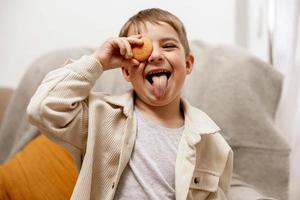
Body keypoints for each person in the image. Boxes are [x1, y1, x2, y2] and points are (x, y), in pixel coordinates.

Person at [27, 8, 233, 200]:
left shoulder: (212, 142)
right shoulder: (100, 116)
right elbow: (43, 108)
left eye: (168, 46)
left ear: (188, 64)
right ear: (126, 70)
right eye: (141, 48)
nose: (155, 55)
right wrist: (99, 61)